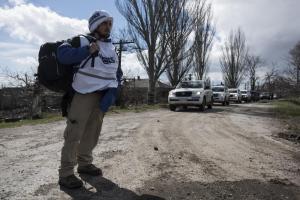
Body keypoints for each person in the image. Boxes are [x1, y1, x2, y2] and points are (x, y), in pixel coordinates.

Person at [56, 10, 122, 189]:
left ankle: (84, 164)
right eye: (104, 23)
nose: (108, 27)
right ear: (94, 25)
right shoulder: (82, 40)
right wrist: (85, 51)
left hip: (103, 98)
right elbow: (62, 54)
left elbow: (117, 73)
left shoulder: (112, 48)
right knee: (74, 133)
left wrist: (113, 93)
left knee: (92, 132)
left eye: (109, 23)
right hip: (83, 94)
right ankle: (66, 173)